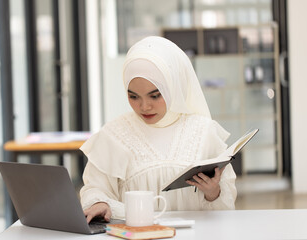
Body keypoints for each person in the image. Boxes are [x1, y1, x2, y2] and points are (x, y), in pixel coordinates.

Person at [80, 36, 237, 224]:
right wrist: (99, 202)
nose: (144, 106)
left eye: (155, 96)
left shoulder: (204, 132)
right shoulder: (113, 135)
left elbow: (225, 207)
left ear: (173, 87)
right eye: (134, 96)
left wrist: (213, 193)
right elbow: (95, 188)